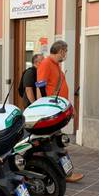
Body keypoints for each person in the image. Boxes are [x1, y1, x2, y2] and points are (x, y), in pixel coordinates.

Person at [36, 40, 84, 183]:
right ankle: (64, 174)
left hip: (58, 110)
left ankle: (64, 173)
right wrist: (46, 111)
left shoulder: (56, 65)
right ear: (61, 50)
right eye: (66, 51)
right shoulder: (46, 64)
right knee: (58, 145)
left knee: (59, 144)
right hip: (51, 112)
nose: (66, 54)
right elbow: (41, 86)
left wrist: (69, 107)